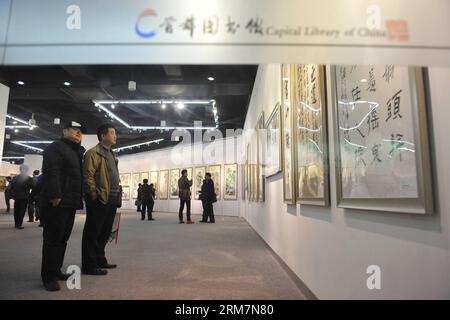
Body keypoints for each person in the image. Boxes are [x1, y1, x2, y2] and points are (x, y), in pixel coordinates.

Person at [40, 121, 86, 292]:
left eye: (80, 131)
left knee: (62, 238)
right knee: (52, 239)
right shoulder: (55, 147)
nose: (78, 133)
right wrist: (55, 195)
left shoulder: (76, 152)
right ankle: (48, 276)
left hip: (71, 201)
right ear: (65, 130)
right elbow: (52, 171)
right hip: (58, 201)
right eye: (75, 130)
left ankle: (55, 270)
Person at [82, 124, 119, 276]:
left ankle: (100, 259)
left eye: (115, 133)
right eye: (112, 133)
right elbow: (88, 174)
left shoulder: (111, 153)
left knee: (104, 232)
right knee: (93, 232)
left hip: (112, 198)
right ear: (103, 136)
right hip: (100, 198)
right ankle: (89, 265)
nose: (115, 136)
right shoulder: (93, 153)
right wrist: (92, 193)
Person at [9, 164, 34, 229]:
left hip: (16, 197)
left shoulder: (15, 178)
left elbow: (11, 188)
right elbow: (34, 187)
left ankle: (16, 224)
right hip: (24, 197)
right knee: (22, 211)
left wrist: (12, 195)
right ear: (26, 170)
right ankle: (19, 224)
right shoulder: (29, 179)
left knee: (16, 210)